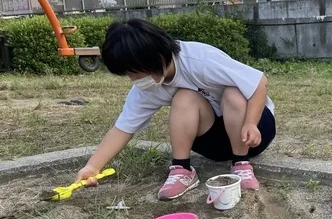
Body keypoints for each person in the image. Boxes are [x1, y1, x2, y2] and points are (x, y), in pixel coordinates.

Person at [75, 19, 276, 199]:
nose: (134, 80)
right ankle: (182, 170)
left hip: (253, 133)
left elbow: (259, 82)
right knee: (184, 96)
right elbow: (122, 128)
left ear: (155, 57)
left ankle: (241, 165)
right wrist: (93, 166)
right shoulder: (147, 88)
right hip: (215, 144)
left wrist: (250, 122)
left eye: (135, 72)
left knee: (234, 93)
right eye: (128, 74)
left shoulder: (200, 59)